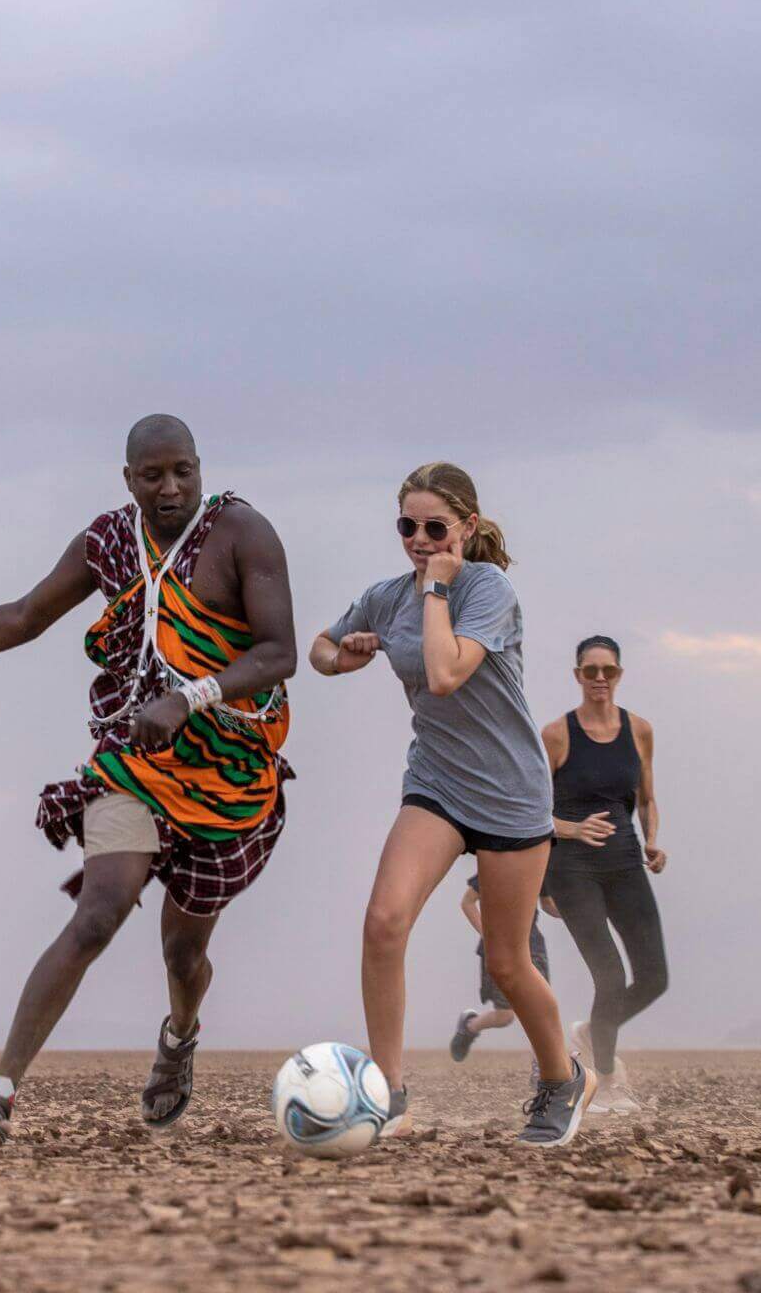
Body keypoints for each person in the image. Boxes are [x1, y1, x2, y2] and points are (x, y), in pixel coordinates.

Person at [0, 414, 296, 1148]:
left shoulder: (244, 534)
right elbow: (25, 615)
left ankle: (179, 1037)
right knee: (98, 912)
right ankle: (0, 1092)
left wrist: (190, 697)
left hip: (226, 771)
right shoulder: (109, 543)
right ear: (128, 480)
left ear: (201, 469)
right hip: (133, 761)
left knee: (183, 953)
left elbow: (278, 653)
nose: (171, 487)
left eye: (183, 471)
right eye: (153, 475)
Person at [312, 461, 592, 1146]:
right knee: (384, 922)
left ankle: (562, 1078)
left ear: (466, 526)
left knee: (506, 962)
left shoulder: (488, 589)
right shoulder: (386, 595)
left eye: (434, 526)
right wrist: (342, 655)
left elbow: (442, 674)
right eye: (406, 525)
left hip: (509, 793)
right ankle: (388, 1092)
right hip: (437, 783)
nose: (418, 538)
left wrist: (438, 587)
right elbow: (317, 650)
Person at [540, 634, 667, 1114]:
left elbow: (649, 799)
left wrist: (652, 839)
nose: (599, 679)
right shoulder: (556, 734)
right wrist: (571, 829)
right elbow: (528, 810)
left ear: (619, 674)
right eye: (590, 671)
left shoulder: (640, 730)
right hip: (573, 871)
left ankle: (593, 1033)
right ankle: (606, 1085)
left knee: (654, 977)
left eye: (607, 671)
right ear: (577, 676)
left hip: (626, 865)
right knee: (610, 978)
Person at [448, 875, 555, 1068]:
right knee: (504, 1016)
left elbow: (548, 905)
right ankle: (470, 1027)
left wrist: (580, 912)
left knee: (540, 1009)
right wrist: (488, 935)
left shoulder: (540, 867)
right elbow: (468, 902)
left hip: (532, 946)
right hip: (498, 947)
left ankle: (542, 1067)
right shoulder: (494, 865)